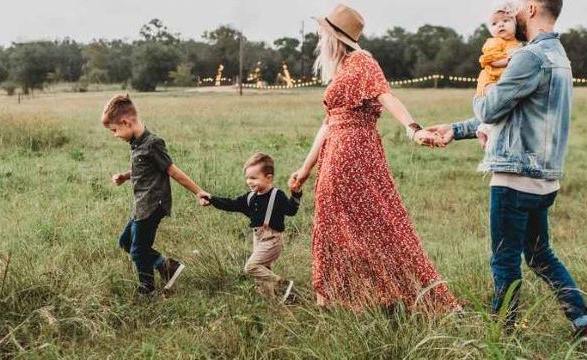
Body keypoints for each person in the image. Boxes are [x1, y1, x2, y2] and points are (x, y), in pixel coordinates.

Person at [426, 0, 587, 343]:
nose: (513, 14)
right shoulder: (558, 56)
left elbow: (490, 109)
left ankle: (502, 336)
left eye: (518, 7)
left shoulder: (529, 57)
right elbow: (514, 113)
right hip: (544, 179)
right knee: (540, 256)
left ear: (532, 8)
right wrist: (456, 129)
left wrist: (482, 88)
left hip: (514, 178)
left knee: (504, 261)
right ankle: (583, 326)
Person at [288, 4, 459, 312]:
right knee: (334, 223)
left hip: (354, 152)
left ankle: (388, 294)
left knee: (378, 222)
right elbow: (328, 123)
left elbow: (386, 95)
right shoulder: (342, 68)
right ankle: (339, 298)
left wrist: (413, 129)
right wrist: (305, 168)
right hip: (336, 151)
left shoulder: (362, 61)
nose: (319, 39)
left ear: (335, 37)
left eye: (322, 33)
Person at [102, 94, 210, 295]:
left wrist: (198, 192)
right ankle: (166, 266)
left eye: (114, 130)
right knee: (126, 242)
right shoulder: (136, 143)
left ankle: (147, 289)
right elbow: (143, 168)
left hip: (153, 205)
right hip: (141, 205)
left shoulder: (153, 143)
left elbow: (173, 171)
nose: (115, 135)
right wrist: (125, 176)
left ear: (125, 122)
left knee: (138, 250)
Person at [201, 153, 301, 302]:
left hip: (272, 239)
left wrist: (296, 194)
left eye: (254, 178)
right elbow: (230, 204)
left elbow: (291, 211)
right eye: (247, 178)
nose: (249, 181)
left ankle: (282, 284)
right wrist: (211, 199)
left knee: (251, 267)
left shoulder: (277, 195)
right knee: (263, 270)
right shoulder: (250, 197)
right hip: (258, 238)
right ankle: (271, 301)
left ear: (269, 178)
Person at [475, 1, 523, 149]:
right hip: (491, 80)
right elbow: (491, 61)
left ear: (515, 24)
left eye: (506, 21)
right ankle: (487, 134)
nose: (500, 25)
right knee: (496, 104)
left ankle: (484, 129)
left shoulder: (516, 43)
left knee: (504, 110)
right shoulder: (494, 42)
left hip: (503, 80)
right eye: (495, 24)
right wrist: (508, 61)